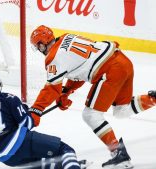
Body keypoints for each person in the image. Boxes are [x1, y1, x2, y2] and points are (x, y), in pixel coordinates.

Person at [28, 25, 156, 169]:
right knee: (122, 110)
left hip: (110, 71)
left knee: (91, 115)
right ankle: (153, 99)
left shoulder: (53, 58)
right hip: (123, 61)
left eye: (37, 46)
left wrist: (36, 110)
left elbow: (51, 88)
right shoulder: (66, 37)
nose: (38, 50)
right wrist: (67, 91)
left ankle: (119, 155)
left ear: (41, 44)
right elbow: (80, 69)